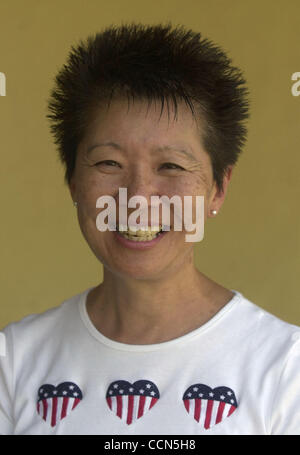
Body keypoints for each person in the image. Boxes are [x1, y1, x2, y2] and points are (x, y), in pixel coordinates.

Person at [0, 22, 299, 436]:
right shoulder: (14, 361)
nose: (137, 198)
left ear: (218, 188)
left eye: (171, 166)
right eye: (109, 163)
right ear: (73, 181)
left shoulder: (285, 368)